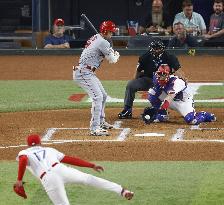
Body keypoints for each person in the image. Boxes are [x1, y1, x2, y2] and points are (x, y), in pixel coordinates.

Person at [13, 134, 134, 204]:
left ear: (28, 144)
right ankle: (122, 191)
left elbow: (23, 160)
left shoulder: (24, 152)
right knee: (89, 179)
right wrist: (91, 165)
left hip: (48, 178)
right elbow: (70, 159)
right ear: (40, 142)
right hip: (61, 169)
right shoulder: (49, 150)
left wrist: (19, 179)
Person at [73, 21, 120, 136]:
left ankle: (101, 121)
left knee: (103, 96)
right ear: (105, 31)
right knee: (97, 97)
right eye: (111, 32)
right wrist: (116, 55)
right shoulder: (102, 42)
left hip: (87, 72)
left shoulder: (96, 37)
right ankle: (95, 128)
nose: (112, 34)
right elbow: (112, 60)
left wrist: (109, 51)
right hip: (83, 73)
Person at [118, 38, 183, 119]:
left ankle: (181, 109)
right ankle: (127, 109)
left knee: (175, 90)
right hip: (149, 80)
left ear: (162, 48)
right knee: (131, 85)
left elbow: (178, 70)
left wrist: (182, 79)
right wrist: (134, 82)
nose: (156, 50)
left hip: (165, 82)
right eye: (154, 48)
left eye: (158, 48)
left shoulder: (170, 57)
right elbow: (137, 72)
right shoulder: (144, 57)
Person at [141, 64, 216, 124]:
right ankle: (162, 114)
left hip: (183, 101)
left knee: (191, 120)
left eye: (164, 74)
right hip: (171, 100)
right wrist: (155, 107)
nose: (161, 77)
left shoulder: (177, 82)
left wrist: (156, 110)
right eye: (160, 74)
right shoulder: (155, 78)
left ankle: (205, 115)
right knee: (152, 92)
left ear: (168, 75)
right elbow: (156, 92)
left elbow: (169, 97)